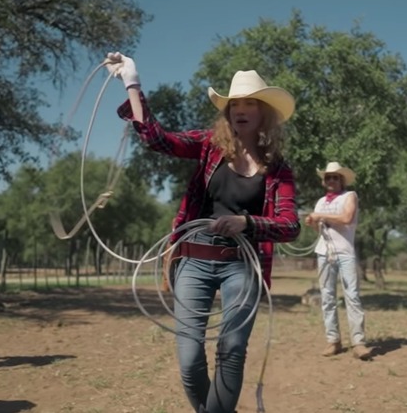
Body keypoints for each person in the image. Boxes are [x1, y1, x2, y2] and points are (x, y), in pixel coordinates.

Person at [107, 52, 300, 413]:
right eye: (234, 104)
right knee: (190, 357)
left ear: (264, 114)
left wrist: (248, 223)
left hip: (242, 264)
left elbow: (290, 225)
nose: (240, 109)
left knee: (232, 351)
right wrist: (132, 82)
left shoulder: (278, 170)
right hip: (194, 257)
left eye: (249, 104)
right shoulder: (208, 146)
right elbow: (158, 139)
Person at [304, 161, 371, 360]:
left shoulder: (350, 196)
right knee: (327, 297)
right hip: (324, 252)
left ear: (341, 180)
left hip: (345, 253)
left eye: (335, 177)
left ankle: (358, 342)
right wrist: (313, 223)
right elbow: (321, 231)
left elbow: (346, 218)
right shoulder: (320, 201)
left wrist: (320, 215)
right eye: (328, 177)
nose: (331, 180)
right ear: (325, 182)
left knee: (352, 296)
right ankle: (333, 340)